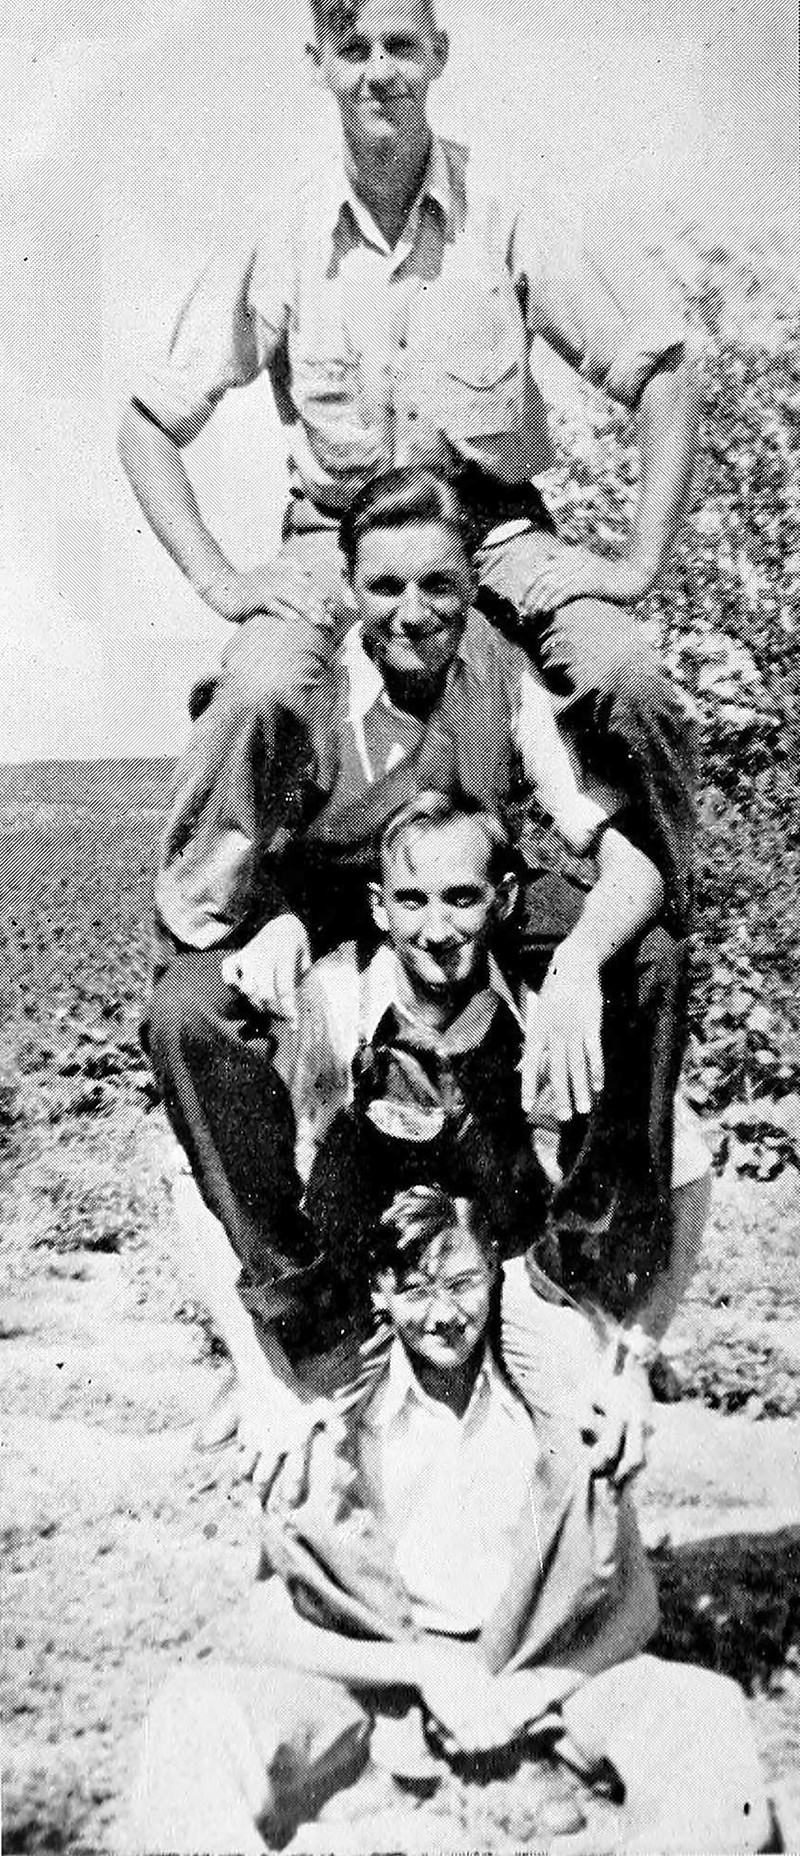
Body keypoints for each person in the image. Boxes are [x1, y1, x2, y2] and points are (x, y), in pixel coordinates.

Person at [118, 0, 698, 958]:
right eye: (354, 50)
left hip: (495, 530)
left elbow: (664, 373)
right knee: (258, 689)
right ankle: (205, 947)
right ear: (318, 64)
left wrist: (636, 563)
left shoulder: (506, 209)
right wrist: (220, 580)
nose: (379, 72)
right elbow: (146, 425)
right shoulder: (282, 231)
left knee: (627, 672)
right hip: (338, 538)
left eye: (400, 46)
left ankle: (647, 922)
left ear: (439, 55)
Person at [146, 471, 703, 1473]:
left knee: (649, 956)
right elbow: (226, 863)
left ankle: (584, 1275)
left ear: (471, 583)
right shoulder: (300, 692)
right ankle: (298, 1314)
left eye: (439, 584)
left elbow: (629, 860)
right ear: (349, 588)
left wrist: (578, 959)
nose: (414, 612)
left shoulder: (503, 671)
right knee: (190, 1015)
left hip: (462, 892)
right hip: (324, 895)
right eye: (386, 586)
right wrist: (273, 919)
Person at [125, 1189, 773, 1856]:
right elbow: (268, 1625)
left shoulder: (553, 1399)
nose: (443, 1315)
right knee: (194, 1713)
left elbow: (637, 1606)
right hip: (375, 1694)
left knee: (704, 1711)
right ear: (379, 1292)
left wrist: (534, 1690)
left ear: (495, 1269)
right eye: (415, 1290)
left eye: (463, 1283)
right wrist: (421, 1671)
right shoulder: (336, 1413)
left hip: (537, 1676)